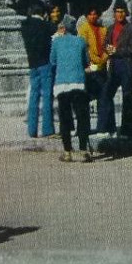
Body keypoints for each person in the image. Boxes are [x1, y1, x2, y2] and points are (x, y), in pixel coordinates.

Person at [49, 15, 92, 162]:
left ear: (63, 28)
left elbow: (52, 61)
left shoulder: (56, 42)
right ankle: (83, 149)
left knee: (65, 117)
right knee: (82, 116)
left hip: (62, 83)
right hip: (78, 82)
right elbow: (86, 61)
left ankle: (67, 151)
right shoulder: (81, 41)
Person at [98, 0, 132, 138]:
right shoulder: (110, 28)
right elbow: (105, 44)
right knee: (106, 94)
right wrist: (108, 48)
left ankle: (128, 130)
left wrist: (116, 50)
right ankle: (108, 128)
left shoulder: (131, 28)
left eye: (122, 12)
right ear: (114, 13)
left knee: (127, 97)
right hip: (114, 66)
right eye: (117, 12)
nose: (120, 14)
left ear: (125, 13)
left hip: (126, 66)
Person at [19, 1, 56, 139]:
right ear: (43, 13)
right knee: (47, 96)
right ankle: (47, 128)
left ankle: (32, 129)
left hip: (32, 63)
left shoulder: (25, 26)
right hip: (45, 63)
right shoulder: (47, 26)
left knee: (34, 96)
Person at [78, 5, 108, 123]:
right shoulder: (83, 29)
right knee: (86, 98)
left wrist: (105, 57)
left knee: (103, 97)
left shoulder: (103, 29)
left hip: (102, 66)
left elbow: (109, 46)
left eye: (95, 14)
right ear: (86, 16)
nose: (93, 16)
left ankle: (103, 125)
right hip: (90, 67)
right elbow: (84, 48)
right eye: (90, 14)